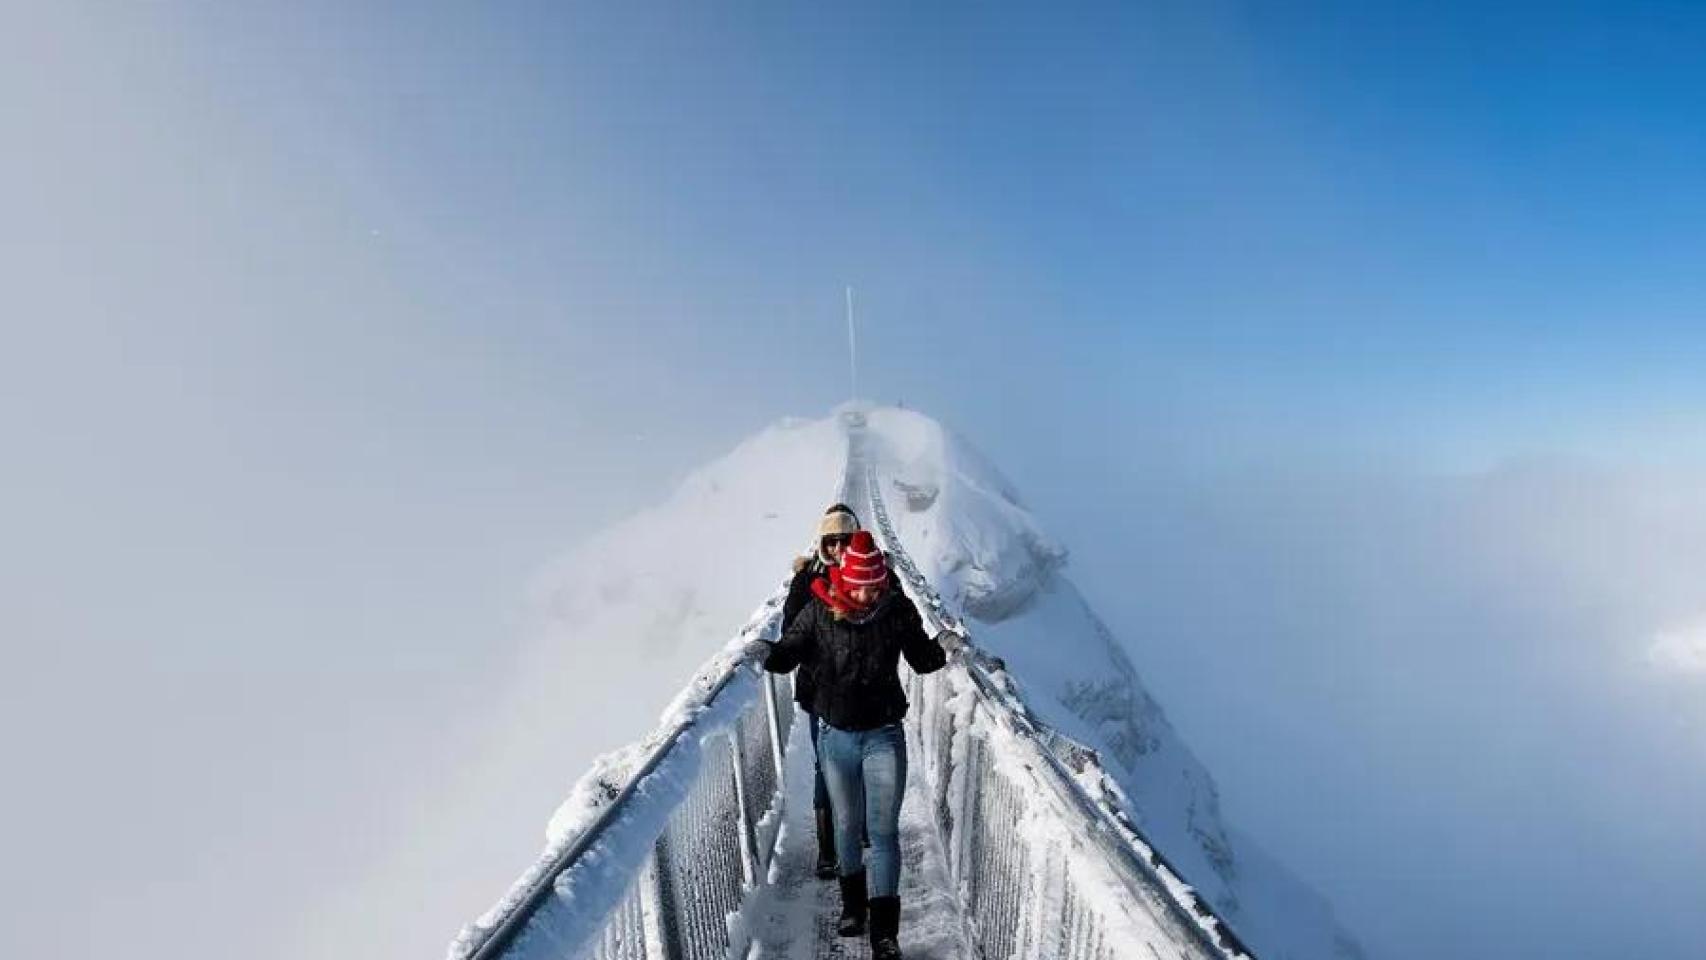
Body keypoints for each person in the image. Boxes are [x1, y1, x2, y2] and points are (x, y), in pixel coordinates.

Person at [754, 530, 949, 960]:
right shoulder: (820, 609)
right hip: (835, 736)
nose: (867, 592)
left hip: (883, 734)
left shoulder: (895, 608)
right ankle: (851, 908)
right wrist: (762, 650)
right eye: (861, 584)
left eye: (875, 585)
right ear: (846, 577)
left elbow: (922, 659)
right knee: (846, 826)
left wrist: (946, 646)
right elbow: (788, 653)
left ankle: (884, 934)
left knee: (882, 833)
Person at [781, 503, 861, 879]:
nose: (839, 549)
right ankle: (828, 850)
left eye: (846, 541)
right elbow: (790, 631)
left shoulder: (871, 574)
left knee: (857, 763)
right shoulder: (805, 581)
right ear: (822, 544)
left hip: (863, 687)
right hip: (821, 691)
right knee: (826, 766)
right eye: (832, 542)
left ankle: (853, 832)